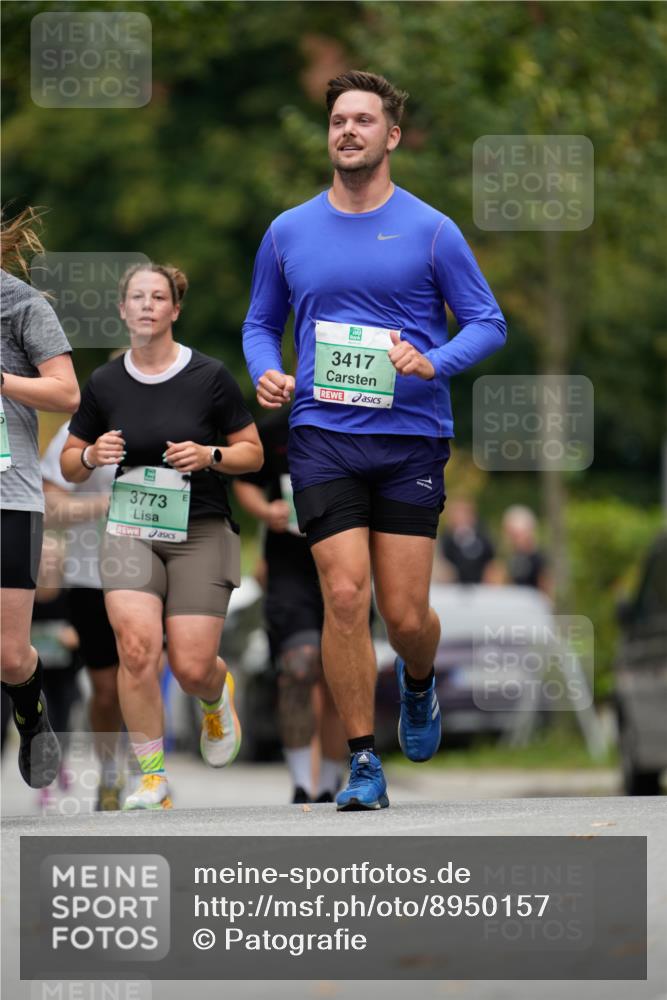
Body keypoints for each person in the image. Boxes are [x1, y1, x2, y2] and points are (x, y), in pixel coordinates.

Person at [242, 71, 506, 810]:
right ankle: (362, 762)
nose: (347, 131)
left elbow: (487, 321)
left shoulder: (431, 229)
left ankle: (416, 684)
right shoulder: (288, 230)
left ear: (390, 136)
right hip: (321, 433)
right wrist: (267, 372)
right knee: (344, 592)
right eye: (337, 121)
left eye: (363, 120)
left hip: (410, 438)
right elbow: (261, 322)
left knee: (406, 614)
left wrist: (433, 359)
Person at [60, 262, 263, 810]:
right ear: (123, 311)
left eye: (158, 297)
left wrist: (210, 455)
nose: (147, 305)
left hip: (201, 529)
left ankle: (216, 695)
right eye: (136, 297)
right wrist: (88, 454)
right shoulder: (103, 383)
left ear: (175, 309)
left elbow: (253, 453)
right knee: (136, 648)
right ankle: (152, 777)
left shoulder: (209, 377)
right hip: (131, 529)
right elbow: (68, 466)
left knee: (192, 665)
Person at [0, 206, 80, 789]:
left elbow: (66, 392)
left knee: (8, 653)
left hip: (11, 494)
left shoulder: (22, 303)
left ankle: (30, 713)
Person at [233, 409, 346, 803]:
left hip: (345, 570)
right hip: (288, 570)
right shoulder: (273, 430)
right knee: (300, 665)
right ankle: (301, 782)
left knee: (339, 680)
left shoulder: (360, 419)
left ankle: (332, 782)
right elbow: (245, 480)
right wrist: (266, 511)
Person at [42, 413, 124, 810]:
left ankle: (151, 773)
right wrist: (104, 504)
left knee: (145, 670)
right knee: (106, 692)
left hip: (155, 573)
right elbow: (50, 506)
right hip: (91, 576)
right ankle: (110, 774)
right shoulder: (77, 429)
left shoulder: (176, 420)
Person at [438, 497, 495, 584]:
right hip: (454, 584)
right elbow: (443, 560)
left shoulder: (482, 534)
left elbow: (491, 558)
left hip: (480, 584)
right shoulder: (447, 537)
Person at [501, 505, 552, 596]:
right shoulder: (508, 558)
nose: (513, 539)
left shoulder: (539, 558)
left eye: (516, 535)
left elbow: (546, 588)